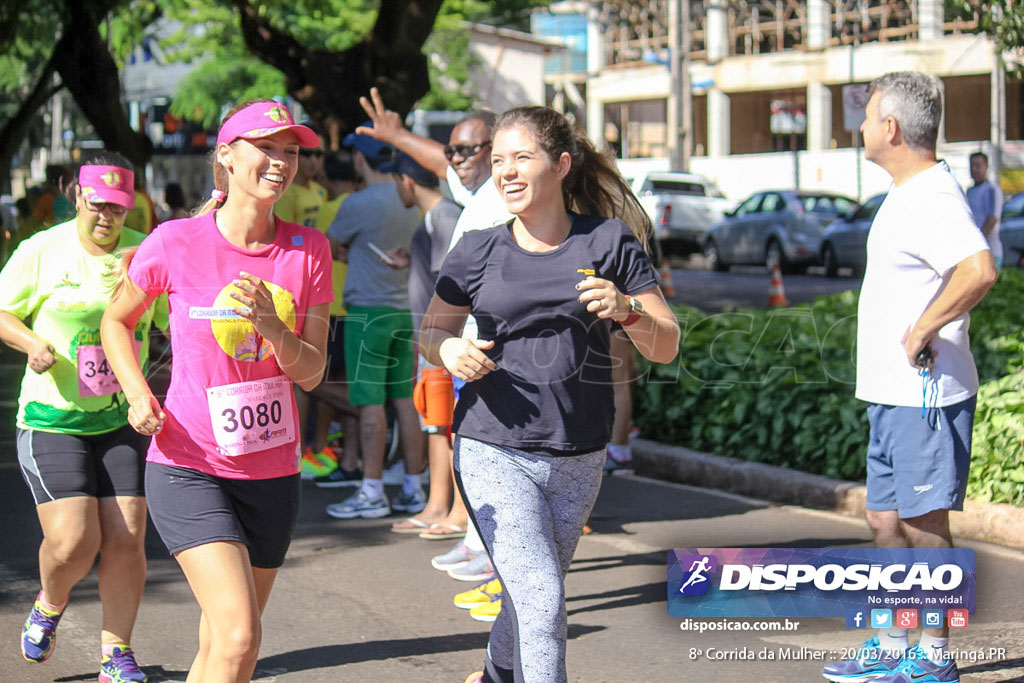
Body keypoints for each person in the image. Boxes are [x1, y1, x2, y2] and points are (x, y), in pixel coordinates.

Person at [420, 105, 679, 682]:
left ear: (561, 165)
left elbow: (667, 344)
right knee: (542, 601)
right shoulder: (478, 250)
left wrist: (628, 310)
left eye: (522, 159)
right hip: (492, 445)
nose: (506, 173)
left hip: (578, 453)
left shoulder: (608, 242)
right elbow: (431, 330)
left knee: (531, 596)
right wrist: (444, 351)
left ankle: (493, 674)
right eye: (498, 161)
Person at [101, 99, 332, 683]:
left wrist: (275, 329)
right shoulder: (174, 241)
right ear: (226, 157)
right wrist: (134, 392)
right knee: (239, 636)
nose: (282, 162)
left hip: (273, 471)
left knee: (221, 645)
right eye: (267, 148)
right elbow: (116, 321)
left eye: (292, 151)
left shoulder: (309, 250)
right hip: (188, 463)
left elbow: (312, 373)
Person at [823, 72, 997, 683]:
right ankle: (894, 641)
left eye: (868, 118)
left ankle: (934, 655)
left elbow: (979, 270)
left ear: (891, 129)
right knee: (884, 521)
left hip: (924, 396)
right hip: (891, 396)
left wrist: (924, 329)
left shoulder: (931, 196)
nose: (863, 128)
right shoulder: (909, 191)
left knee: (925, 529)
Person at [0, 152, 166, 682]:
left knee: (126, 536)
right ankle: (50, 602)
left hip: (121, 416)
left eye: (117, 209)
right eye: (97, 206)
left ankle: (115, 655)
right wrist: (30, 343)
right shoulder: (42, 250)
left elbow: (171, 314)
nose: (106, 219)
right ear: (77, 197)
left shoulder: (145, 250)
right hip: (53, 417)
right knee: (75, 541)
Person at [354, 90, 510, 567]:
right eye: (453, 149)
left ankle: (498, 558)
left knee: (486, 448)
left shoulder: (503, 189)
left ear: (498, 151)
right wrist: (398, 136)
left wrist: (399, 135)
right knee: (468, 441)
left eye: (469, 149)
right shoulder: (475, 192)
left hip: (486, 345)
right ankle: (480, 543)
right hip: (458, 345)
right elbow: (444, 166)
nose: (456, 159)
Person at [324, 126, 424, 520]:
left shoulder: (358, 203)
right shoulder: (412, 198)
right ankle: (414, 488)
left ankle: (371, 489)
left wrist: (355, 255)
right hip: (408, 310)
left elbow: (333, 244)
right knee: (405, 401)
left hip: (368, 312)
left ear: (360, 160)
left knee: (369, 404)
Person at [374, 152, 463, 534]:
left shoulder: (442, 217)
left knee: (442, 425)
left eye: (397, 182)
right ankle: (437, 506)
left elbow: (454, 281)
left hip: (443, 341)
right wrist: (410, 260)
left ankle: (445, 509)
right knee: (435, 422)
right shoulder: (437, 217)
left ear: (407, 181)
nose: (397, 189)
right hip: (436, 340)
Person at [965, 151, 1003, 271]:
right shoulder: (969, 191)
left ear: (986, 166)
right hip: (973, 252)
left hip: (990, 251)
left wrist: (978, 243)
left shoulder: (992, 189)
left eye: (978, 165)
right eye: (972, 165)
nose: (974, 169)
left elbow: (992, 219)